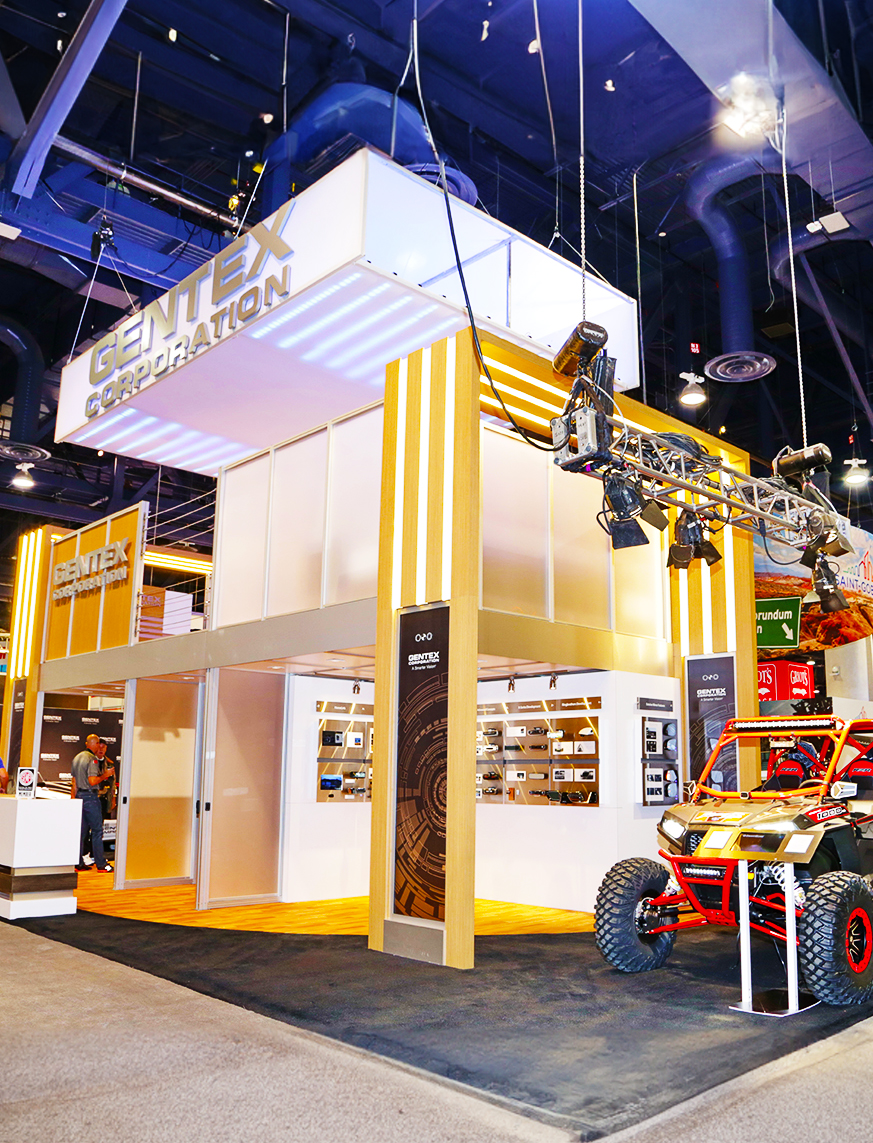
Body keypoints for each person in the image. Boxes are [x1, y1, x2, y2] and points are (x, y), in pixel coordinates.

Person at [70, 733, 114, 873]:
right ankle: (101, 864)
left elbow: (74, 782)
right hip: (90, 797)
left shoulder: (77, 758)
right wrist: (105, 775)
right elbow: (92, 781)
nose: (98, 747)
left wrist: (74, 798)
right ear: (94, 744)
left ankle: (77, 862)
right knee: (96, 831)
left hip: (79, 796)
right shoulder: (92, 759)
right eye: (97, 744)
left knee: (81, 832)